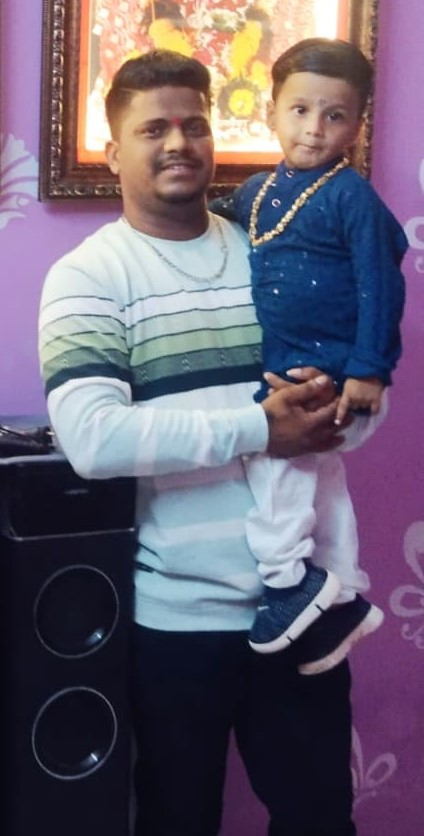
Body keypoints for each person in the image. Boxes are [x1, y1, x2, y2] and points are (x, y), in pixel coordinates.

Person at [39, 49, 383, 836]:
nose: (178, 143)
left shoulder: (273, 247)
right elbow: (93, 438)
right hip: (175, 621)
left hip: (304, 610)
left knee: (320, 822)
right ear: (113, 148)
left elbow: (345, 401)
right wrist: (261, 427)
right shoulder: (87, 276)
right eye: (153, 128)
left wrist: (349, 407)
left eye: (194, 124)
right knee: (176, 819)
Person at [210, 37, 407, 664]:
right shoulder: (258, 191)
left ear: (357, 126)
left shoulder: (351, 196)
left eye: (334, 115)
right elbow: (223, 217)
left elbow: (382, 281)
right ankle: (342, 594)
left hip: (331, 374)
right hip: (292, 365)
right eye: (299, 110)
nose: (314, 129)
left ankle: (286, 583)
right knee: (321, 484)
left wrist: (370, 369)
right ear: (270, 110)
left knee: (275, 464)